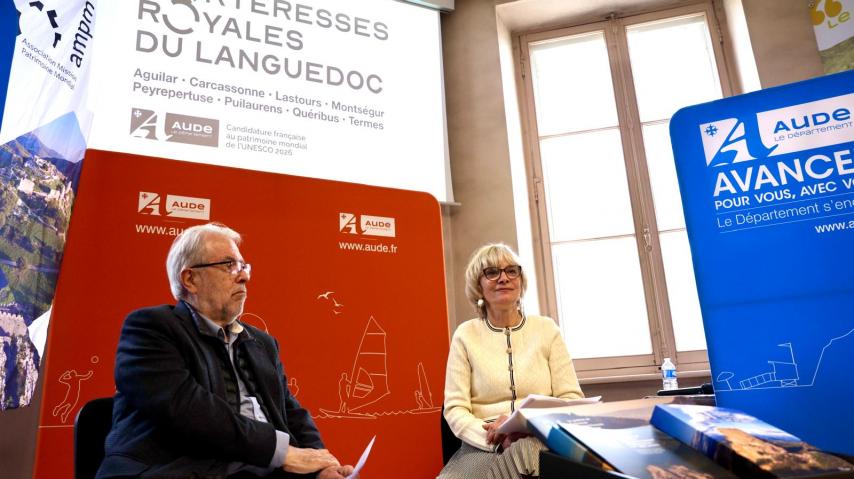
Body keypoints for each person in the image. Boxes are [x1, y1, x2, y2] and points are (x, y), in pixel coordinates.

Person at [97, 223, 354, 479]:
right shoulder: (151, 329)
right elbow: (191, 411)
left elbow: (291, 412)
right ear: (190, 279)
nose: (244, 276)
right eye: (229, 265)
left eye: (243, 266)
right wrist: (282, 452)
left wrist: (321, 466)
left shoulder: (262, 343)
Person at [438, 243, 583, 479]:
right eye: (492, 272)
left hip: (540, 439)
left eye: (511, 271)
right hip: (482, 445)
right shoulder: (465, 335)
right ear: (478, 286)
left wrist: (528, 424)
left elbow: (572, 399)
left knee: (533, 459)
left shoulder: (547, 329)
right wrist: (495, 438)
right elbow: (455, 409)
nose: (504, 278)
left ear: (520, 281)